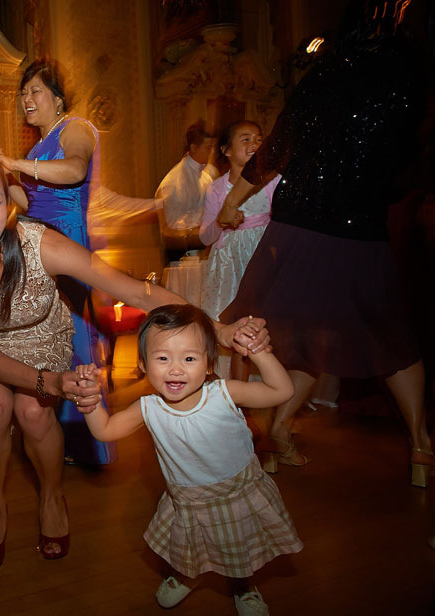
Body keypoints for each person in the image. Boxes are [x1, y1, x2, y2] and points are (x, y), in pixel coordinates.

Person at [0, 146, 270, 569]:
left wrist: (218, 329)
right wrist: (52, 383)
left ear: (8, 204)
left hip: (41, 337)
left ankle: (52, 497)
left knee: (33, 411)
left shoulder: (39, 245)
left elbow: (135, 291)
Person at [219, 0, 433, 484]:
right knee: (392, 339)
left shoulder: (323, 76)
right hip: (357, 225)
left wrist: (235, 198)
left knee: (295, 336)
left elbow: (277, 146)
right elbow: (410, 158)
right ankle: (421, 445)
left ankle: (276, 436)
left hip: (298, 221)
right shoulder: (407, 80)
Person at [80, 304, 302, 616]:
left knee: (239, 548)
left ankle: (244, 586)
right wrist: (91, 401)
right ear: (142, 364)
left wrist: (257, 349)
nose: (175, 369)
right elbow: (105, 431)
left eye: (189, 358)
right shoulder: (148, 408)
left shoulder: (226, 393)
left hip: (236, 492)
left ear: (209, 363)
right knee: (189, 548)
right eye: (162, 358)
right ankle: (188, 574)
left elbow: (281, 391)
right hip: (188, 500)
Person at [0, 58, 114, 466]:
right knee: (45, 339)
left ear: (58, 99)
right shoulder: (39, 146)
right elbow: (30, 201)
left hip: (66, 241)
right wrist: (2, 176)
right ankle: (51, 432)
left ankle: (86, 440)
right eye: (23, 92)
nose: (26, 98)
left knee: (74, 339)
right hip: (37, 243)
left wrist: (16, 165)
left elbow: (75, 171)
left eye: (35, 90)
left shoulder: (76, 128)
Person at [199, 121, 279, 380]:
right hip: (229, 265)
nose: (254, 144)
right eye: (245, 139)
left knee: (264, 327)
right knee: (237, 330)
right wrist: (221, 221)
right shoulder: (217, 189)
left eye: (258, 139)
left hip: (261, 259)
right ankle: (237, 399)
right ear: (226, 150)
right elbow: (204, 236)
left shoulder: (271, 182)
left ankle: (270, 389)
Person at [155, 120, 218, 259]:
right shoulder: (172, 183)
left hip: (206, 252)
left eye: (213, 147)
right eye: (208, 148)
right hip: (185, 258)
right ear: (194, 148)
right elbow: (171, 230)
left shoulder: (210, 173)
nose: (213, 152)